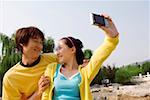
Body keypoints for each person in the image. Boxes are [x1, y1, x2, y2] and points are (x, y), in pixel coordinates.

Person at [40, 14, 119, 100]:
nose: (57, 52)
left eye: (60, 48)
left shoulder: (85, 73)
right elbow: (46, 95)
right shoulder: (51, 69)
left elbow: (99, 56)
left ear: (72, 50)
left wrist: (112, 35)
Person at [2, 26, 57, 100]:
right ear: (22, 43)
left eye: (41, 42)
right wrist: (39, 92)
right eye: (35, 41)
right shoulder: (11, 77)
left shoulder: (52, 58)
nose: (40, 46)